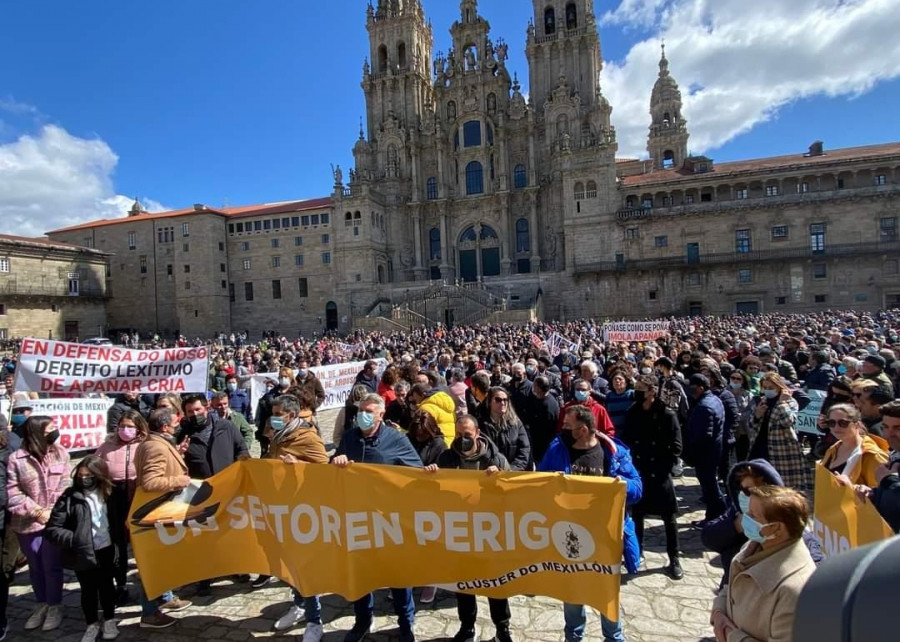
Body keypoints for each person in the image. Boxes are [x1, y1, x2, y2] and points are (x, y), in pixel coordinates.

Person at [538, 405, 641, 642]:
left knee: (606, 593)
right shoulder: (558, 449)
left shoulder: (614, 453)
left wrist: (619, 484)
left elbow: (638, 487)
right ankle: (574, 636)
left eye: (568, 426)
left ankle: (613, 637)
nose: (562, 429)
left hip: (606, 536)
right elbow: (540, 480)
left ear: (583, 430)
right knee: (573, 591)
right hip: (569, 533)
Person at [332, 394, 421, 642]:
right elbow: (331, 471)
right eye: (361, 410)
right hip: (358, 519)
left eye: (369, 411)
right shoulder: (350, 437)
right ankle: (362, 621)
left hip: (389, 520)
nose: (363, 414)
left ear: (381, 414)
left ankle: (406, 622)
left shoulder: (396, 439)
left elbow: (416, 471)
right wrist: (336, 462)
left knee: (398, 576)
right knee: (361, 575)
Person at [426, 415, 512, 642]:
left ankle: (502, 628)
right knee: (464, 583)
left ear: (477, 433)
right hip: (460, 531)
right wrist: (431, 476)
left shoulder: (494, 459)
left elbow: (512, 490)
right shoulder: (446, 458)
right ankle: (467, 626)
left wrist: (501, 477)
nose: (463, 439)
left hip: (489, 532)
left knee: (496, 583)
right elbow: (433, 492)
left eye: (467, 434)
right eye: (459, 434)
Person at [710, 486, 816, 642]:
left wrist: (732, 636)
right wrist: (719, 611)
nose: (744, 518)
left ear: (777, 528)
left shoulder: (795, 590)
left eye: (753, 515)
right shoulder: (752, 546)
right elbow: (732, 586)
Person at [264, 393, 328, 641]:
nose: (274, 418)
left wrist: (299, 465)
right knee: (290, 562)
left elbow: (325, 468)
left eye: (279, 414)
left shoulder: (307, 437)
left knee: (304, 565)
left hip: (304, 510)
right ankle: (299, 603)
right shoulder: (278, 436)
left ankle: (315, 620)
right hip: (283, 507)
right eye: (274, 413)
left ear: (292, 415)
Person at [178, 394, 249, 595]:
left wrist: (241, 470)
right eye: (190, 411)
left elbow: (241, 449)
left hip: (229, 489)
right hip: (199, 493)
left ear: (207, 407)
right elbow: (176, 464)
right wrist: (179, 453)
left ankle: (236, 567)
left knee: (230, 531)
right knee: (203, 537)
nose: (195, 414)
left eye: (198, 410)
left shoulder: (225, 427)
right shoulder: (183, 434)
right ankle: (204, 576)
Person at [45, 456, 121, 642]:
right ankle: (91, 623)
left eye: (89, 475)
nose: (85, 479)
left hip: (107, 549)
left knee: (107, 587)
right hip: (82, 552)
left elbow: (119, 520)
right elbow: (53, 528)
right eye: (81, 475)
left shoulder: (111, 494)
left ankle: (109, 619)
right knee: (88, 590)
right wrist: (75, 539)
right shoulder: (70, 497)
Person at [6, 415, 70, 631]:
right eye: (49, 429)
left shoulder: (61, 453)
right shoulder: (17, 459)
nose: (55, 432)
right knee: (35, 566)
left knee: (52, 566)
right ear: (35, 433)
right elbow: (13, 493)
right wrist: (36, 511)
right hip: (27, 523)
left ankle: (55, 605)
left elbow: (66, 484)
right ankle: (41, 603)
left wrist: (53, 511)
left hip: (54, 521)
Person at [133, 408, 193, 628]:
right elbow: (150, 482)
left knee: (159, 562)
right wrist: (180, 481)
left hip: (161, 511)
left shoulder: (158, 443)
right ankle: (149, 612)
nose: (178, 426)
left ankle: (162, 599)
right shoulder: (156, 447)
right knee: (155, 564)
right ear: (165, 426)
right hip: (157, 511)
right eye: (175, 423)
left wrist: (177, 452)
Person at [619, 375, 683, 579]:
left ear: (652, 391)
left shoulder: (667, 414)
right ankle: (638, 552)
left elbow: (676, 446)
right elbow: (626, 440)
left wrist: (664, 465)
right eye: (636, 387)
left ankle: (674, 559)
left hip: (660, 473)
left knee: (669, 518)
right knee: (637, 514)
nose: (637, 392)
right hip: (639, 471)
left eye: (641, 389)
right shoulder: (633, 412)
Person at [94, 409, 147, 606]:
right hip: (113, 497)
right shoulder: (107, 446)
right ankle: (121, 584)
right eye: (122, 426)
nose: (125, 430)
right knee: (118, 545)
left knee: (140, 541)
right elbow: (94, 466)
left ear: (138, 428)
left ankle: (148, 581)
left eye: (130, 427)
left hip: (137, 496)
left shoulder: (144, 445)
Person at [749, 373, 810, 492]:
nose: (767, 390)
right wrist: (757, 415)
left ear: (779, 387)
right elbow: (752, 425)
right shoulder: (762, 401)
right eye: (765, 387)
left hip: (781, 449)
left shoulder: (790, 402)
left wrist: (782, 404)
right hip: (760, 446)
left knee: (782, 485)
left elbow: (788, 421)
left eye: (771, 388)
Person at [685, 374, 726, 525]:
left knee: (709, 486)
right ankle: (718, 513)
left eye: (692, 387)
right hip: (713, 450)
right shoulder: (715, 400)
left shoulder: (704, 407)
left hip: (706, 453)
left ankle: (716, 515)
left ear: (701, 388)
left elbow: (703, 436)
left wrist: (691, 452)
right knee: (710, 484)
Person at [821, 403, 888, 489]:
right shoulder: (833, 449)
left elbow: (881, 494)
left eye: (843, 423)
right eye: (831, 423)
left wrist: (851, 487)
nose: (836, 427)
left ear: (857, 424)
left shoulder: (872, 455)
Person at [475, 388, 531, 471]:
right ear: (489, 402)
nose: (502, 403)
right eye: (498, 400)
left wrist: (509, 470)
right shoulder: (480, 424)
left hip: (511, 475)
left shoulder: (516, 423)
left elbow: (524, 450)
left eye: (505, 400)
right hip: (487, 475)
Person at [870, 400, 900, 532]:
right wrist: (873, 494)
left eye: (898, 428)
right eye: (885, 427)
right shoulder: (894, 455)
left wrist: (888, 481)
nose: (889, 434)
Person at [256, 367, 296, 455]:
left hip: (290, 426)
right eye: (281, 377)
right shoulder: (271, 393)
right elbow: (263, 409)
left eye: (285, 376)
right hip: (273, 425)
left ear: (291, 377)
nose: (283, 379)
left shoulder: (296, 392)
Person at [521, 376, 560, 465]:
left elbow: (545, 427)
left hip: (543, 444)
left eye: (534, 386)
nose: (532, 388)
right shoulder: (540, 399)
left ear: (538, 388)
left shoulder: (548, 405)